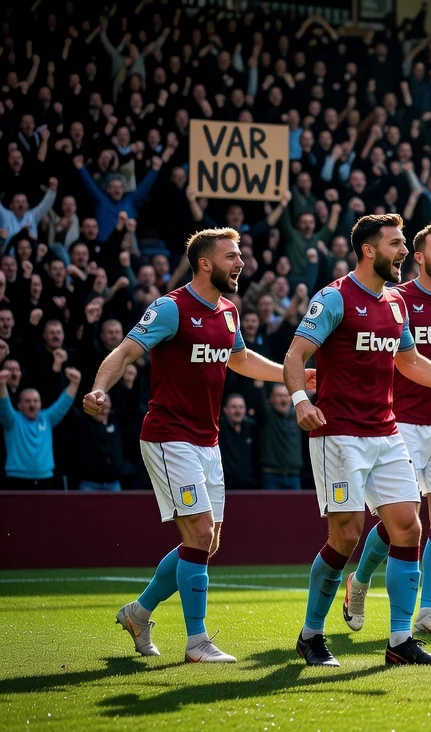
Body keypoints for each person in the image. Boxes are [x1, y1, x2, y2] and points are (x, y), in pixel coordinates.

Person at [283, 214, 431, 668]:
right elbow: (296, 354)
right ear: (369, 250)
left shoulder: (395, 306)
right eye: (397, 244)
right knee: (347, 535)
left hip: (386, 430)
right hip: (338, 435)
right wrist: (301, 400)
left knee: (409, 527)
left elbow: (410, 362)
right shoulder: (335, 297)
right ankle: (310, 634)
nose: (403, 252)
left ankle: (399, 642)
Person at [86, 228, 292, 663]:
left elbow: (241, 360)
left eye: (240, 256)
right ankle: (197, 643)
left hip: (207, 441)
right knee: (198, 534)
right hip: (167, 437)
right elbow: (123, 352)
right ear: (205, 263)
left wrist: (295, 377)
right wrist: (100, 389)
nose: (241, 263)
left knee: (206, 543)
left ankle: (138, 614)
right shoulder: (170, 308)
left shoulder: (230, 312)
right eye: (232, 256)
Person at [343, 222, 431, 637]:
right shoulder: (396, 298)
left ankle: (428, 612)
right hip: (399, 421)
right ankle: (360, 581)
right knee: (401, 519)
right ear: (418, 257)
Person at [0, 367, 79, 489]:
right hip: (16, 479)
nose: (32, 404)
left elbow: (63, 404)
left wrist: (75, 383)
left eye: (36, 401)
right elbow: (4, 405)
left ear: (40, 404)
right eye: (28, 401)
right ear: (19, 405)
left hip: (45, 479)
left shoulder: (46, 418)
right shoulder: (12, 420)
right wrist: (1, 385)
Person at [258, 385, 304, 490]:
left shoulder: (298, 417)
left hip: (294, 475)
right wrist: (259, 386)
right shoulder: (267, 416)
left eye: (286, 396)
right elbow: (259, 402)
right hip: (271, 475)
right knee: (270, 507)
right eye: (279, 396)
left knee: (296, 507)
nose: (283, 399)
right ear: (271, 398)